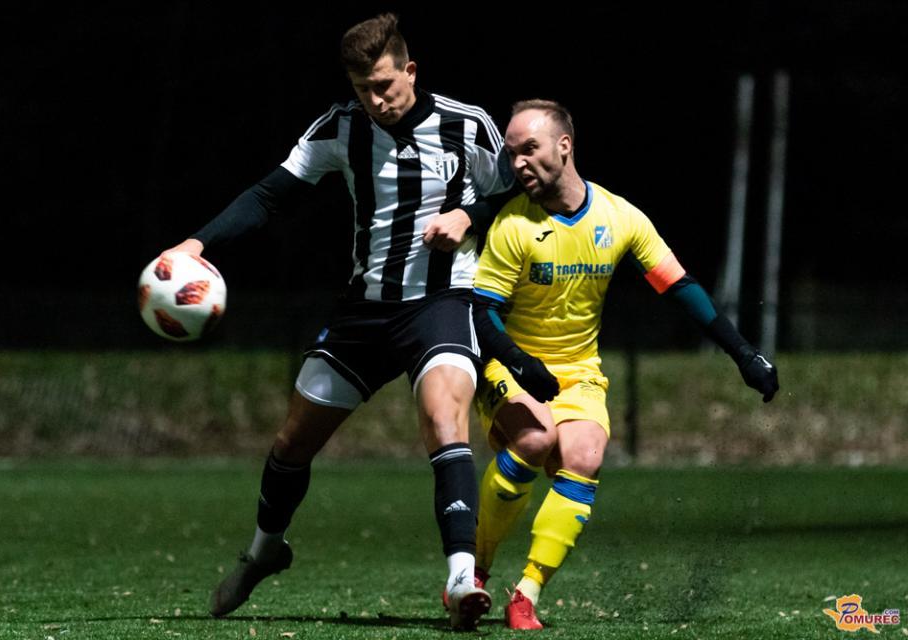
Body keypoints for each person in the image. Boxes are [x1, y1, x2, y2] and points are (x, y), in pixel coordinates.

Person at [165, 14, 513, 629]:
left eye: (384, 85)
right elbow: (269, 194)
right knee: (291, 443)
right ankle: (264, 551)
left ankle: (462, 578)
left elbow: (517, 188)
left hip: (440, 302)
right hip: (364, 311)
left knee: (443, 419)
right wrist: (198, 243)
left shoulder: (466, 124)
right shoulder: (341, 127)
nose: (375, 100)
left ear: (410, 71)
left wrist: (470, 217)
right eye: (361, 89)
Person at [468, 100, 779, 630]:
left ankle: (526, 593)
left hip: (578, 371)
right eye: (512, 153)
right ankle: (474, 572)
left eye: (529, 149)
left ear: (564, 146)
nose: (518, 163)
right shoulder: (512, 224)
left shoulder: (619, 218)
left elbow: (679, 286)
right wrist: (520, 363)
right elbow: (483, 314)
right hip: (507, 365)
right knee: (536, 439)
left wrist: (744, 353)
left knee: (585, 455)